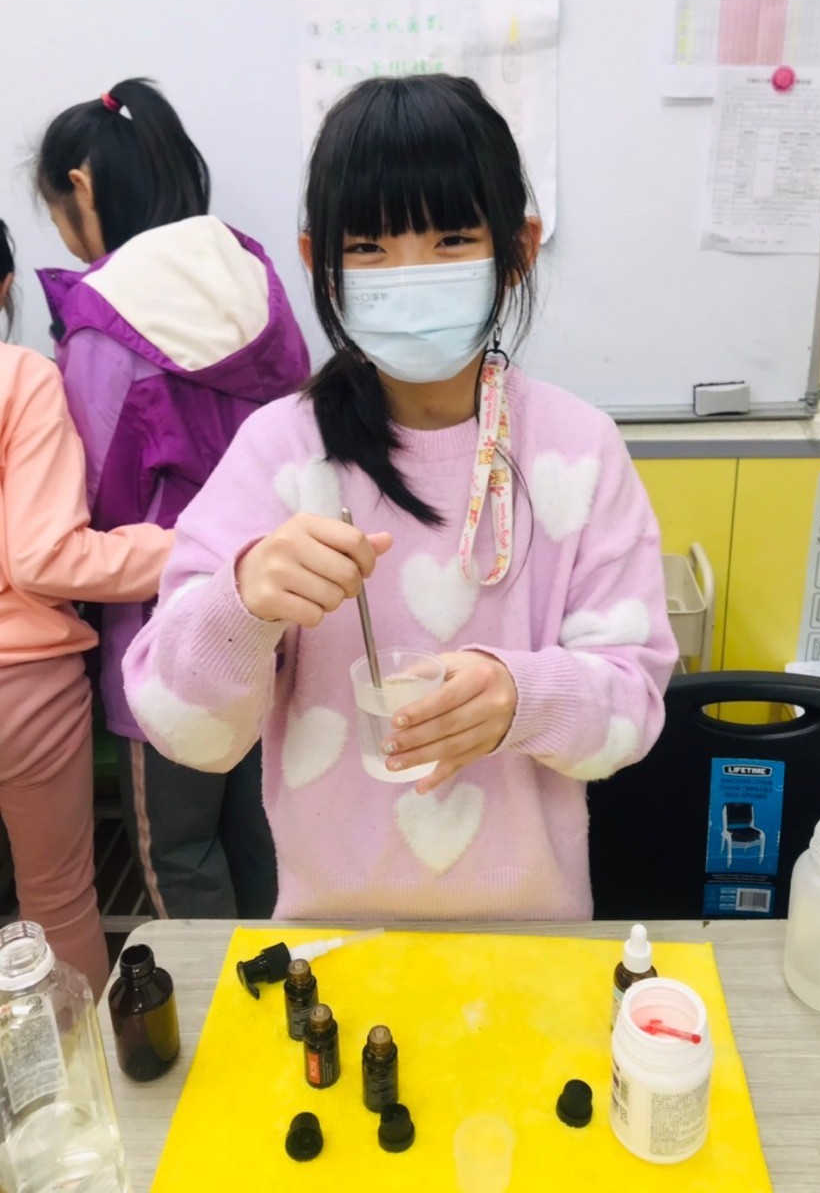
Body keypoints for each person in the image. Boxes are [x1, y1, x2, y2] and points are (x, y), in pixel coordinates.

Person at [124, 74, 678, 921]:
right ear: (318, 262)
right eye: (369, 247)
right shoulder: (279, 451)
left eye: (452, 238)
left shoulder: (579, 449)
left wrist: (522, 698)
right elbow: (185, 730)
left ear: (518, 248)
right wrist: (243, 600)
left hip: (534, 937)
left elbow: (631, 710)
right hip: (330, 937)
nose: (410, 276)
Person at [34, 79, 310, 919]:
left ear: (81, 186)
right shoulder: (256, 279)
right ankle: (282, 979)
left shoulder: (103, 323)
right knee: (265, 830)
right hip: (273, 609)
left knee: (179, 851)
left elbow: (93, 498)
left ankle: (207, 993)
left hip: (163, 635)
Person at [0, 220, 172, 995]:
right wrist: (194, 543)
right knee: (59, 902)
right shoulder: (21, 377)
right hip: (21, 685)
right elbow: (44, 557)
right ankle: (75, 1067)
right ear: (6, 287)